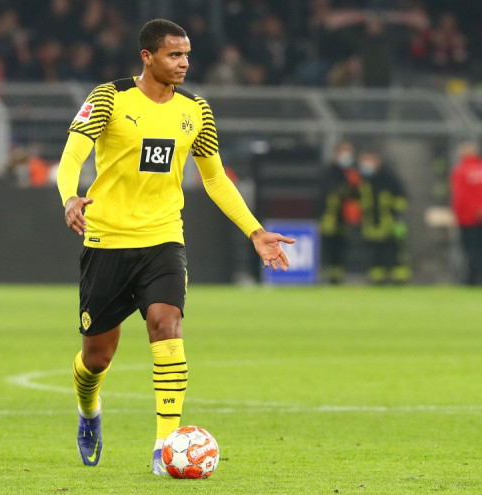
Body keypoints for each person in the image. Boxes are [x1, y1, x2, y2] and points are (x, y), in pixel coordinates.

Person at [55, 19, 295, 474]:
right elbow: (72, 154)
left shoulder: (196, 110)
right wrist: (70, 196)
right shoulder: (108, 98)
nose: (184, 63)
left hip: (163, 238)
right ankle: (89, 410)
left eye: (186, 55)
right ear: (147, 57)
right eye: (174, 55)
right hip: (107, 240)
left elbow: (215, 178)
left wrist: (254, 231)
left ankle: (164, 446)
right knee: (96, 357)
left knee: (167, 325)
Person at [357, 150, 410, 284]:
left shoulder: (389, 178)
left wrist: (393, 209)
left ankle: (399, 278)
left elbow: (402, 199)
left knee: (394, 251)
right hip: (371, 224)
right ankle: (377, 279)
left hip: (391, 223)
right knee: (375, 253)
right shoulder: (363, 181)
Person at [319, 141, 361, 283]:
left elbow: (357, 195)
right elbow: (330, 193)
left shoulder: (351, 172)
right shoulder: (330, 172)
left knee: (342, 248)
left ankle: (337, 276)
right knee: (329, 247)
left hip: (345, 218)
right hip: (330, 218)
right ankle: (328, 276)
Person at [450, 141, 482, 285]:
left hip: (468, 218)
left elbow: (461, 196)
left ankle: (473, 278)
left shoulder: (461, 171)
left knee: (470, 249)